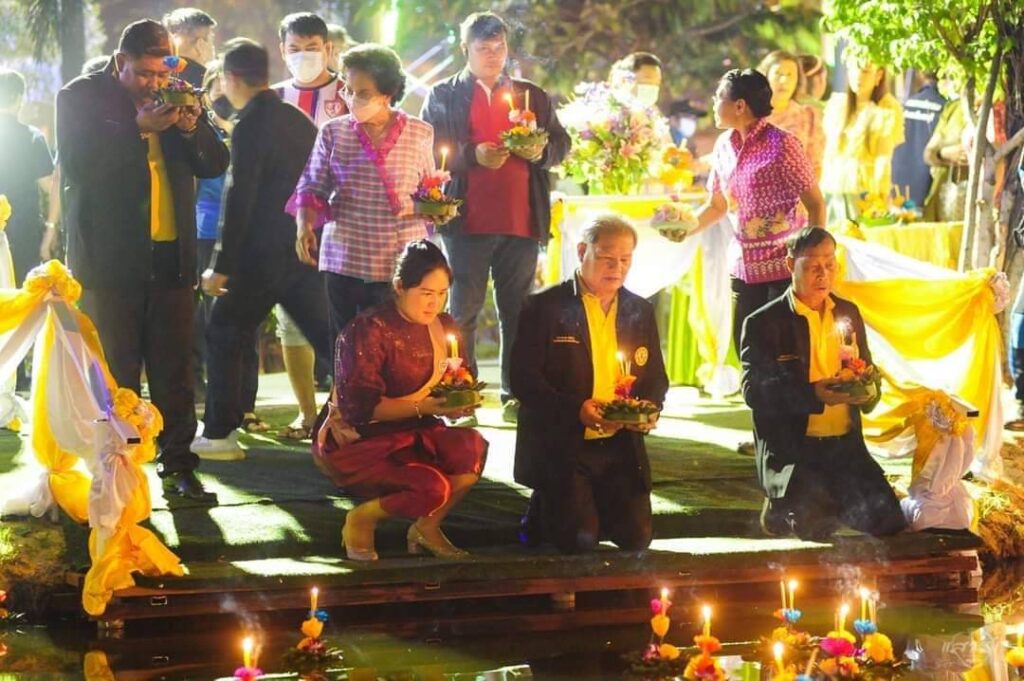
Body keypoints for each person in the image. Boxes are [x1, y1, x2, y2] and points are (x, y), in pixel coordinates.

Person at [55, 19, 229, 502]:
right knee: (116, 374)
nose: (155, 83)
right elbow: (78, 165)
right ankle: (119, 471)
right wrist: (137, 129)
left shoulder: (178, 94)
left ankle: (179, 466)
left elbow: (215, 163)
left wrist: (191, 126)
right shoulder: (80, 97)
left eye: (162, 73)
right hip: (110, 262)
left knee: (176, 372)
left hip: (172, 256)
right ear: (120, 62)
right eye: (145, 73)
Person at [421, 11, 571, 424]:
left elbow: (561, 143)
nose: (493, 55)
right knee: (462, 312)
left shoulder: (531, 95)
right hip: (464, 221)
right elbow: (428, 148)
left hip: (521, 220)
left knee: (518, 313)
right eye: (483, 47)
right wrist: (473, 155)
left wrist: (540, 152)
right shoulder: (445, 94)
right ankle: (461, 395)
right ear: (465, 49)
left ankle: (515, 394)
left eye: (499, 46)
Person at [197, 39, 331, 460]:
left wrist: (221, 264)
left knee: (223, 331)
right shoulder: (296, 119)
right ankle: (373, 421)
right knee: (330, 340)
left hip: (259, 256)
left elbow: (239, 196)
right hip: (304, 248)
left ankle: (220, 433)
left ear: (230, 78)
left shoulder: (251, 124)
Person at [314, 240, 487, 561]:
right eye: (426, 293)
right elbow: (358, 410)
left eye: (442, 293)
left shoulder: (444, 326)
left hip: (419, 431)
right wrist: (423, 407)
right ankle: (362, 518)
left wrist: (458, 401)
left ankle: (427, 527)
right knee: (432, 486)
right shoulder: (368, 330)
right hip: (363, 441)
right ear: (398, 286)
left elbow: (451, 383)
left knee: (471, 448)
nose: (434, 303)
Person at [511, 215, 668, 554]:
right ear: (582, 251)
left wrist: (649, 409)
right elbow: (523, 379)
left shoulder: (639, 310)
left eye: (625, 259)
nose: (617, 268)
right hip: (565, 442)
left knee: (637, 537)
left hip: (619, 444)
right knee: (579, 540)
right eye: (607, 258)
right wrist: (575, 410)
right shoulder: (544, 306)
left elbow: (655, 377)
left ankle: (586, 503)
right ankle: (547, 507)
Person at [741, 227, 906, 540]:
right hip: (795, 449)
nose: (823, 274)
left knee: (889, 522)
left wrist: (866, 392)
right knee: (819, 526)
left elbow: (867, 371)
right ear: (790, 265)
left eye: (830, 264)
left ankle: (829, 496)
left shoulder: (847, 312)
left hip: (844, 447)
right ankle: (781, 502)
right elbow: (754, 391)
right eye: (813, 266)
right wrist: (812, 393)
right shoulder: (764, 322)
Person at [294, 44, 438, 374]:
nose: (351, 97)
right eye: (348, 89)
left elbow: (430, 191)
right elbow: (311, 186)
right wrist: (304, 225)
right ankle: (345, 402)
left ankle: (394, 404)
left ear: (388, 92)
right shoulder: (333, 132)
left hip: (398, 261)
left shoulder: (420, 132)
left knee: (395, 346)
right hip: (345, 256)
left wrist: (437, 208)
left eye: (363, 93)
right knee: (345, 344)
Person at [681, 69, 826, 355]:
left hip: (782, 269)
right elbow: (717, 206)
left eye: (718, 97)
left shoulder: (783, 144)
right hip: (743, 267)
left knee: (783, 353)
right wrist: (683, 229)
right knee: (746, 349)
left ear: (739, 106)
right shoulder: (723, 146)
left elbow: (816, 204)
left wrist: (812, 259)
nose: (713, 103)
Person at [273, 11, 349, 439]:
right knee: (292, 320)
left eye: (312, 48)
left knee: (344, 318)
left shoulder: (350, 92)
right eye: (295, 49)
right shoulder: (273, 99)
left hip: (343, 224)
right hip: (289, 226)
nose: (303, 56)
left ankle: (344, 409)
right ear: (282, 50)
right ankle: (306, 413)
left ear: (328, 48)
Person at [821, 57, 904, 220]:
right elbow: (827, 152)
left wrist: (881, 195)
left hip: (865, 192)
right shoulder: (837, 104)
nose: (858, 76)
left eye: (865, 71)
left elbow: (883, 158)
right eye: (854, 69)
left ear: (878, 75)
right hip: (832, 189)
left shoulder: (887, 109)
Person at [0, 69, 54, 285]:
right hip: (23, 233)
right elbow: (50, 188)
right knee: (24, 296)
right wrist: (50, 231)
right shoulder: (32, 137)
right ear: (19, 98)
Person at [757, 50, 825, 179]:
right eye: (778, 74)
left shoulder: (808, 115)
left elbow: (816, 165)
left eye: (790, 75)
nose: (784, 80)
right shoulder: (749, 116)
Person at [891, 72, 946, 209]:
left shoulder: (903, 106)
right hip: (926, 190)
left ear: (921, 75)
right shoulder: (945, 108)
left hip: (897, 187)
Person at [162, 7, 216, 88]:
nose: (213, 48)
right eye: (211, 42)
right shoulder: (208, 83)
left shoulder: (156, 76)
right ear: (200, 45)